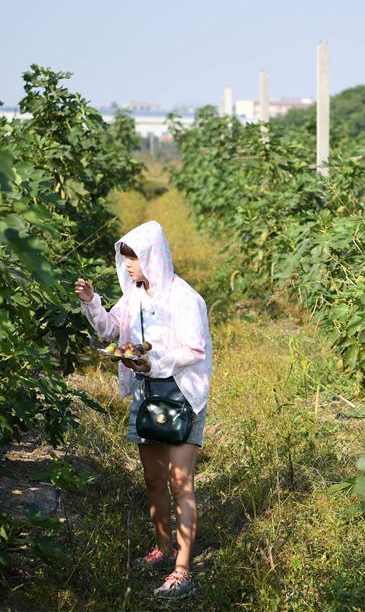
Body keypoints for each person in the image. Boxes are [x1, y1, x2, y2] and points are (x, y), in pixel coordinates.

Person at [75, 221, 211, 601]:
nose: (129, 265)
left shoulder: (185, 298)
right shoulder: (134, 295)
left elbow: (195, 350)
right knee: (154, 479)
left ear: (153, 256)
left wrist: (153, 362)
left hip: (183, 395)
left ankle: (182, 570)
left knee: (181, 483)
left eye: (135, 257)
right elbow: (110, 329)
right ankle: (163, 548)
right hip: (146, 394)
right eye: (126, 257)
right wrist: (91, 301)